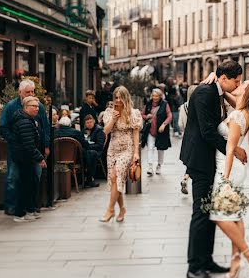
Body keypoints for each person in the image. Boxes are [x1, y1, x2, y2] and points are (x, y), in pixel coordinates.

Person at [180, 59, 247, 278]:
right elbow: (207, 131)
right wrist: (233, 150)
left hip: (208, 161)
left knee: (209, 213)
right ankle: (194, 268)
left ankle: (206, 260)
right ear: (224, 78)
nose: (238, 85)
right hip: (200, 161)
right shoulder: (205, 93)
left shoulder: (215, 90)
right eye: (235, 81)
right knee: (200, 214)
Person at [211, 80, 249, 278]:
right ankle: (235, 263)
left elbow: (229, 148)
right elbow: (230, 96)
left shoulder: (236, 116)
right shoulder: (245, 112)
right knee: (234, 217)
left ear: (246, 92)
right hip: (234, 168)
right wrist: (217, 83)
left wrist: (224, 177)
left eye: (243, 84)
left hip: (229, 169)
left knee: (218, 216)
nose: (239, 83)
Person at [0, 80, 50, 215]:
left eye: (33, 91)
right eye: (28, 92)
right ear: (20, 92)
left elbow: (45, 127)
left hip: (35, 149)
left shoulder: (39, 106)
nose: (31, 94)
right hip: (18, 150)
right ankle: (11, 206)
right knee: (13, 177)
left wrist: (46, 145)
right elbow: (3, 128)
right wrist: (15, 140)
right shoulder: (11, 106)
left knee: (35, 176)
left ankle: (33, 205)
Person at [101, 86, 142, 223]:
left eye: (120, 97)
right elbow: (105, 131)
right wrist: (113, 119)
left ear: (126, 98)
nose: (118, 100)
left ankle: (110, 209)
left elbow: (136, 134)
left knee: (116, 176)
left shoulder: (133, 113)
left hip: (127, 148)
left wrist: (136, 153)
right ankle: (122, 208)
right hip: (112, 148)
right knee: (114, 180)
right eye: (116, 97)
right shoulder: (109, 112)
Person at [10, 97, 47, 222]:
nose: (37, 108)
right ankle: (21, 214)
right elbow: (29, 145)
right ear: (26, 107)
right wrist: (40, 158)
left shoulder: (28, 120)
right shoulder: (25, 122)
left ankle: (30, 210)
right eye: (34, 106)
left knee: (30, 185)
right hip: (24, 158)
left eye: (37, 106)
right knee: (25, 186)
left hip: (26, 158)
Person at [55, 115, 100, 188]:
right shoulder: (76, 133)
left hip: (57, 158)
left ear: (60, 124)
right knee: (91, 153)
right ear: (70, 124)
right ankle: (89, 178)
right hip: (75, 158)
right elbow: (86, 146)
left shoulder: (54, 133)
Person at [142, 89, 172, 176]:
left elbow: (169, 115)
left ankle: (159, 166)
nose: (155, 98)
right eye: (153, 96)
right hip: (150, 130)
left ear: (160, 96)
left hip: (161, 131)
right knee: (150, 148)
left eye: (157, 96)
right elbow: (142, 114)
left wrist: (164, 124)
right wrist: (146, 116)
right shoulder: (148, 103)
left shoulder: (164, 104)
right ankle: (150, 167)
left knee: (160, 149)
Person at [177, 84, 198, 195]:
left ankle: (185, 177)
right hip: (198, 138)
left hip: (187, 137)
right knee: (195, 161)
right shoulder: (200, 105)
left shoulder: (183, 107)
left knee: (191, 161)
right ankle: (186, 178)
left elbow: (180, 124)